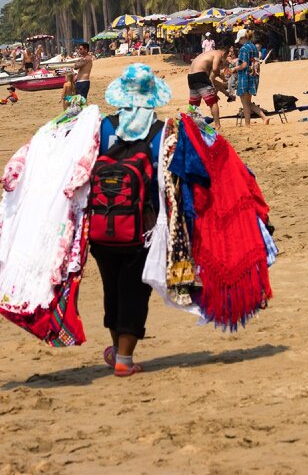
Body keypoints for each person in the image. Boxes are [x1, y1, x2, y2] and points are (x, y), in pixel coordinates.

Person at [93, 63, 171, 377]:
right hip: (143, 226)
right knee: (135, 291)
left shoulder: (103, 127)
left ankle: (117, 351)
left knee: (111, 289)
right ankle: (124, 359)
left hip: (101, 224)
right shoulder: (161, 131)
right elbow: (167, 178)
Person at [187, 48, 228, 132]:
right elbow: (215, 69)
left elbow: (211, 77)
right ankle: (217, 125)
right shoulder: (218, 54)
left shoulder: (207, 53)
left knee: (194, 103)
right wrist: (222, 77)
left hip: (191, 76)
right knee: (212, 102)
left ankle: (191, 125)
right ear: (224, 54)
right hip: (200, 75)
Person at [235, 29, 269, 125]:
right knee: (248, 102)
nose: (239, 43)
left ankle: (248, 124)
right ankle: (264, 118)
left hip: (245, 77)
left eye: (240, 40)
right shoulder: (254, 47)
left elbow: (244, 65)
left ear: (243, 38)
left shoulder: (244, 49)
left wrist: (233, 69)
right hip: (253, 76)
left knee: (245, 103)